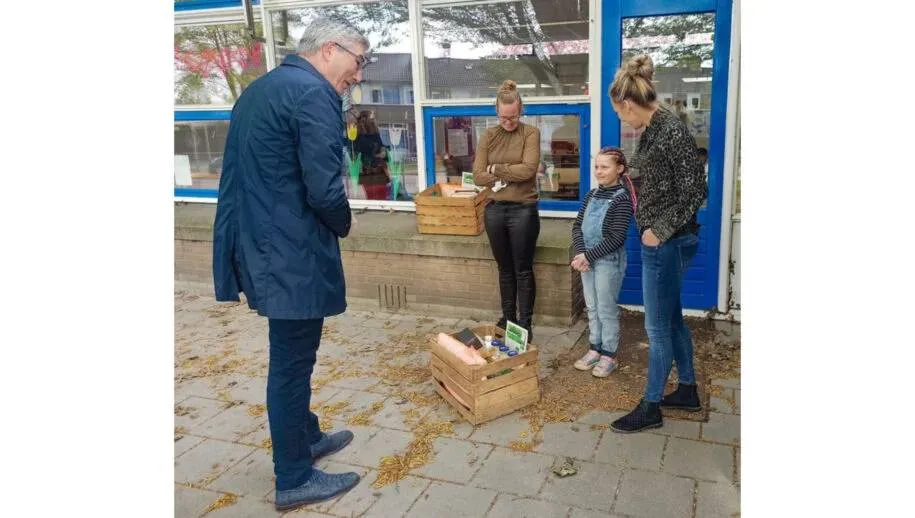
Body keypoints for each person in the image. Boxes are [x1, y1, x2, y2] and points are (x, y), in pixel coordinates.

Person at [211, 16, 369, 511]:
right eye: (358, 61)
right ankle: (294, 477)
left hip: (260, 244)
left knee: (294, 357)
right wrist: (347, 222)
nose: (359, 74)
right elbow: (324, 188)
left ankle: (309, 436)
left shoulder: (261, 90)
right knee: (291, 365)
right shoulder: (313, 94)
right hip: (290, 254)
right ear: (329, 50)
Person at [607, 54, 708, 434]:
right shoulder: (653, 130)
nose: (621, 120)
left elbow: (697, 188)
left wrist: (659, 229)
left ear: (628, 103)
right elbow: (664, 179)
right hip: (662, 240)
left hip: (667, 243)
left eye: (619, 113)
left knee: (657, 327)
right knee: (671, 317)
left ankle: (651, 406)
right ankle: (686, 390)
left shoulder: (671, 130)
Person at [472, 80, 541, 340]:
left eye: (513, 117)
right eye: (503, 117)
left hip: (523, 209)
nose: (508, 122)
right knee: (504, 268)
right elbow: (478, 176)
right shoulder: (488, 135)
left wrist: (496, 169)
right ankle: (508, 317)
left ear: (520, 110)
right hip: (495, 210)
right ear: (496, 112)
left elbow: (529, 170)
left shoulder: (530, 133)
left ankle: (524, 323)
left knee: (523, 268)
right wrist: (507, 171)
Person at [571, 147, 634, 377]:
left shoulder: (623, 200)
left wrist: (587, 256)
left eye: (605, 167)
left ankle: (609, 354)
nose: (599, 171)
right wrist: (581, 253)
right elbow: (578, 226)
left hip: (608, 261)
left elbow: (616, 237)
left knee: (606, 309)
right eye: (597, 166)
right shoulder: (591, 195)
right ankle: (594, 348)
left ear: (619, 169)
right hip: (586, 260)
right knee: (592, 307)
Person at [353, 110, 390, 200]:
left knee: (382, 195)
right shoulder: (359, 137)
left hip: (378, 170)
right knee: (373, 196)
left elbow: (381, 147)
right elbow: (361, 154)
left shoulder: (375, 134)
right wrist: (379, 155)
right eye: (372, 117)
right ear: (367, 120)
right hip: (369, 171)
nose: (374, 120)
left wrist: (384, 151)